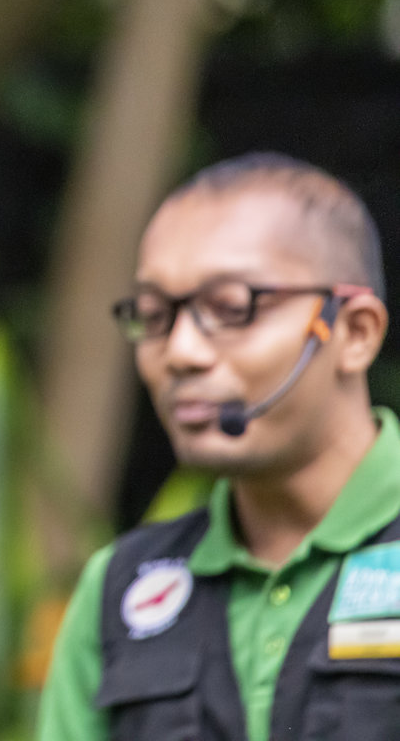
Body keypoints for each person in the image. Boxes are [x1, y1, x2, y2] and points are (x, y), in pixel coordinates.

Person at [37, 152, 397, 740]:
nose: (181, 352)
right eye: (154, 315)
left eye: (231, 308)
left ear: (354, 333)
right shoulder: (118, 588)